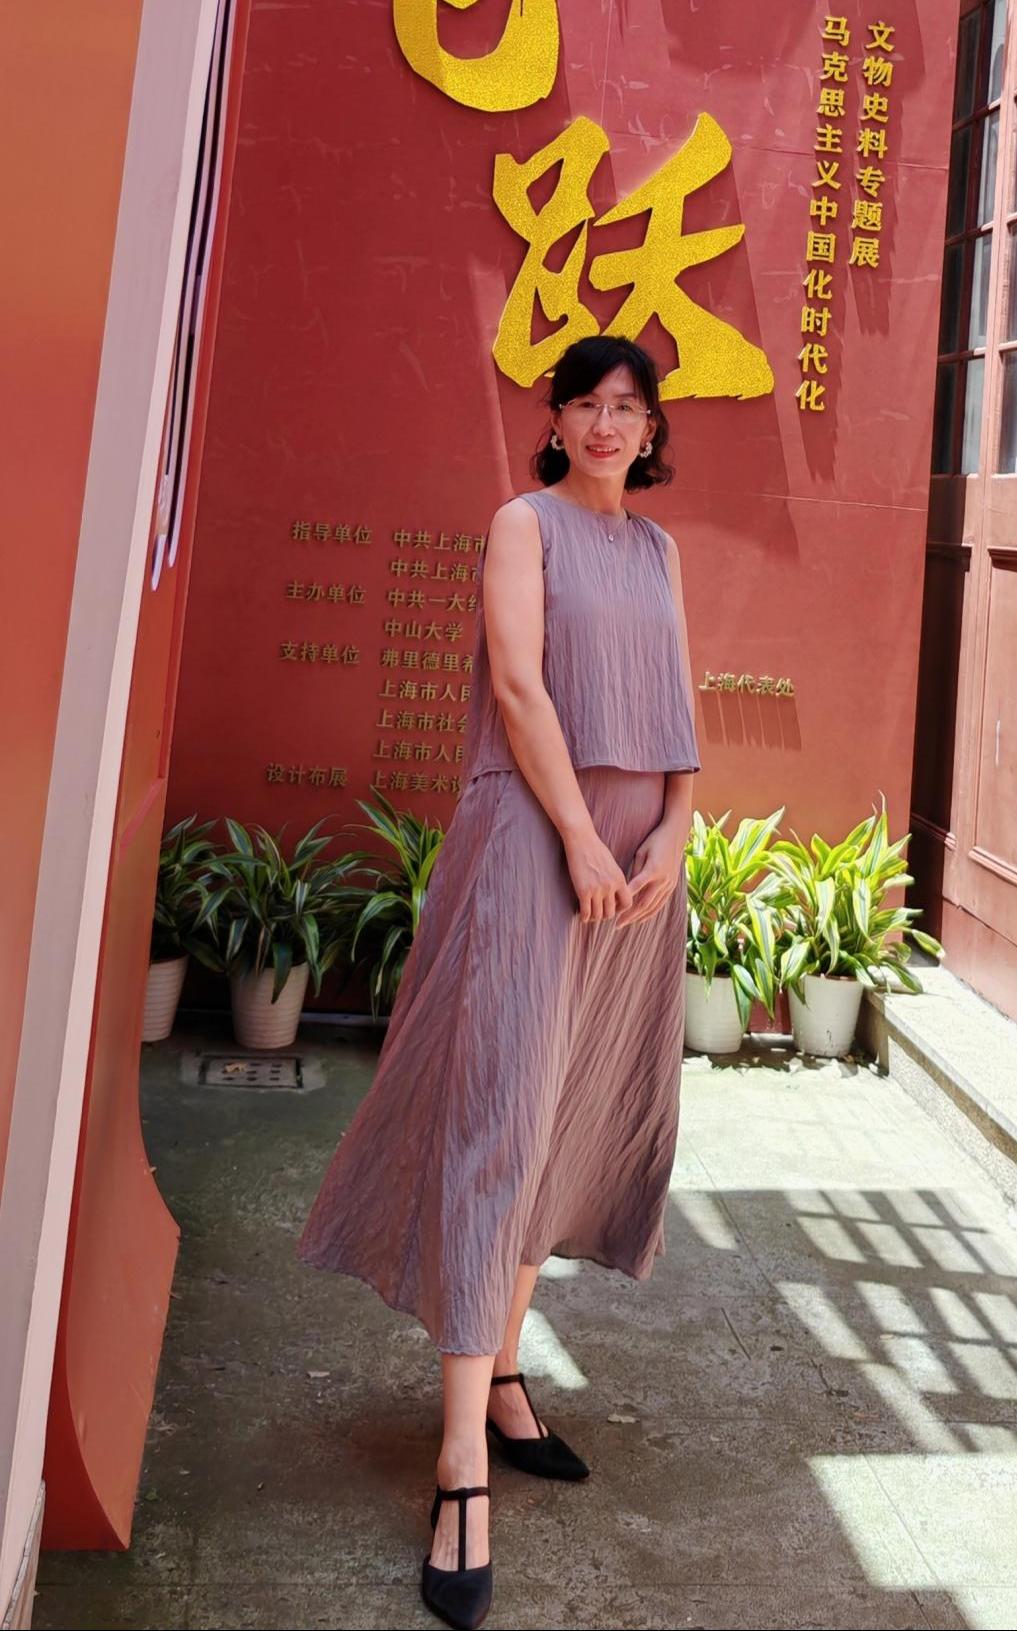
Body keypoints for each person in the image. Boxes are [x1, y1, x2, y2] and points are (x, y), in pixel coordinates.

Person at [296, 333, 701, 1631]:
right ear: (557, 419)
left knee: (568, 1121)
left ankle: (508, 1374)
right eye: (585, 403)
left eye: (626, 406)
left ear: (650, 429)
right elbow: (519, 688)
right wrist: (579, 835)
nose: (604, 423)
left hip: (636, 868)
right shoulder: (522, 525)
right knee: (498, 1125)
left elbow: (676, 706)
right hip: (535, 842)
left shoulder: (658, 549)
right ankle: (460, 1457)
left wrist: (675, 828)